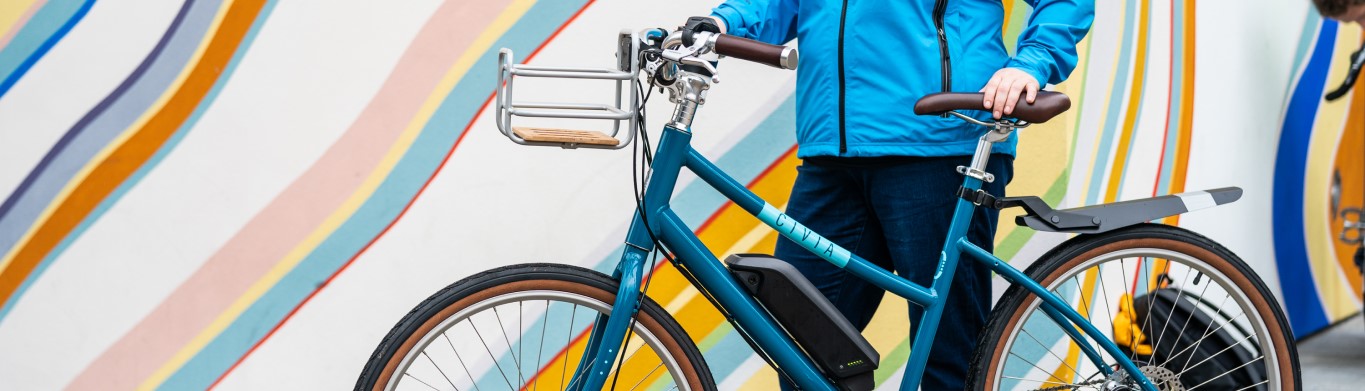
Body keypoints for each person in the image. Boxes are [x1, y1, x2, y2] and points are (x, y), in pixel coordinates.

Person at [690, 1, 1093, 389]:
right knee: (800, 345)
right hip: (832, 153)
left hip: (939, 143)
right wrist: (722, 23)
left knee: (948, 356)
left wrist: (1032, 62)